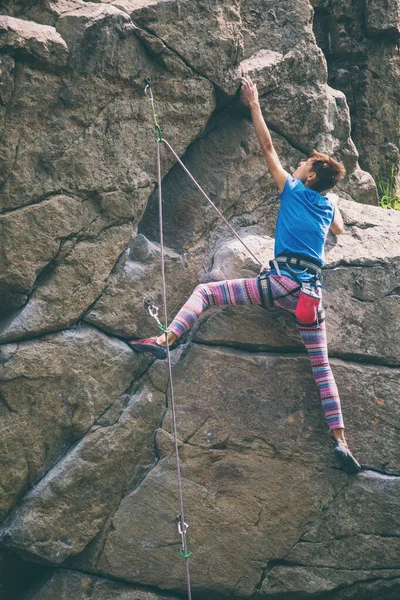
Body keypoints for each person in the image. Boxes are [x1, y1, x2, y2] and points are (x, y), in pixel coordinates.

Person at [129, 75, 361, 474]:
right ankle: (341, 443)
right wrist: (332, 197)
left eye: (302, 164)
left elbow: (267, 146)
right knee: (321, 367)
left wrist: (254, 104)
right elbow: (339, 229)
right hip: (311, 299)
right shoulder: (326, 207)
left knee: (207, 294)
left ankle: (166, 337)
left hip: (280, 285)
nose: (296, 165)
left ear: (307, 178)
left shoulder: (292, 189)